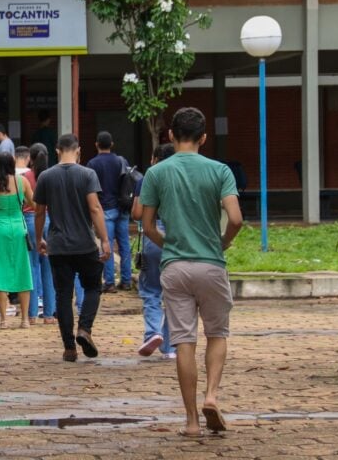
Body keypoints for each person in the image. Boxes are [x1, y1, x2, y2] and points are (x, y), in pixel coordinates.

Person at [140, 107, 243, 436]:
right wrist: (222, 242)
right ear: (203, 137)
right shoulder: (220, 171)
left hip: (175, 266)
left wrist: (166, 241)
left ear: (170, 136)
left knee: (184, 341)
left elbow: (146, 224)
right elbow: (236, 219)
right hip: (211, 264)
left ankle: (191, 422)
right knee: (217, 333)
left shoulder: (156, 173)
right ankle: (211, 396)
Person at [33, 134, 111, 362]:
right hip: (85, 244)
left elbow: (39, 212)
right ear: (78, 150)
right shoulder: (87, 174)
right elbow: (95, 208)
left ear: (57, 150)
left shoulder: (46, 176)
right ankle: (84, 329)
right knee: (93, 288)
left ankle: (69, 347)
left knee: (63, 295)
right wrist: (104, 239)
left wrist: (40, 239)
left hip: (58, 245)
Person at [131, 143, 176, 359]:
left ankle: (152, 332)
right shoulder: (181, 176)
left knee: (151, 290)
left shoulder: (148, 178)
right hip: (179, 237)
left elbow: (138, 214)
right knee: (176, 294)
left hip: (154, 235)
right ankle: (170, 347)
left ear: (155, 158)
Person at [0, 153, 33, 329]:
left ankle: (3, 320)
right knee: (22, 270)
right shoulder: (22, 181)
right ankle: (24, 319)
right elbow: (34, 203)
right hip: (18, 228)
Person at [87, 131, 132, 293]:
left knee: (107, 245)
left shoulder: (92, 164)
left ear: (96, 145)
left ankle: (110, 282)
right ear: (112, 144)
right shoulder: (121, 160)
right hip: (123, 208)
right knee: (124, 244)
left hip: (104, 209)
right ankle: (126, 281)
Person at [23, 143, 56, 325]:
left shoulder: (25, 177)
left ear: (31, 158)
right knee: (49, 268)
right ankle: (49, 314)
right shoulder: (53, 175)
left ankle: (32, 313)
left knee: (32, 267)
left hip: (30, 220)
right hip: (50, 220)